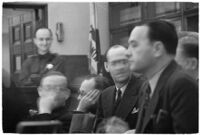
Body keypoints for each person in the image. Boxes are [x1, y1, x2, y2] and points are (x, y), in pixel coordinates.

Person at [127, 20, 198, 133]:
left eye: (134, 45)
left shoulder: (181, 84)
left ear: (157, 49)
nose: (127, 52)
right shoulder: (145, 87)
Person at [96, 45, 145, 129]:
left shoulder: (145, 89)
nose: (120, 67)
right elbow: (99, 128)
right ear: (106, 66)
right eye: (114, 63)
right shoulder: (105, 95)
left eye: (124, 62)